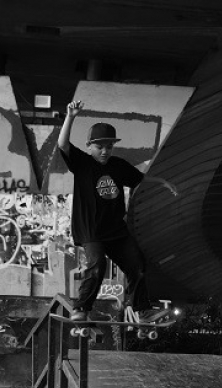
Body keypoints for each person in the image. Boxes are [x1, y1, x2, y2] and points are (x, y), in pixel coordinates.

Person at [57, 100, 178, 322]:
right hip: (91, 230)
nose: (104, 151)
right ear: (89, 146)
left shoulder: (118, 166)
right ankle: (81, 308)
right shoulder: (82, 163)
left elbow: (140, 179)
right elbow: (63, 144)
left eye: (109, 147)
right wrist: (71, 116)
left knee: (138, 265)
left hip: (116, 231)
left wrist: (163, 183)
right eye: (100, 147)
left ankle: (143, 311)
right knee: (97, 266)